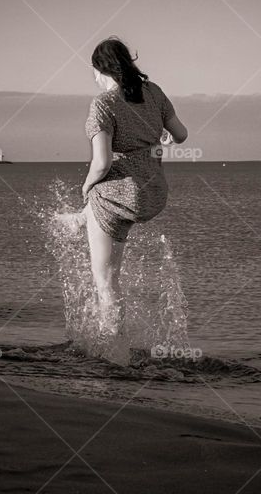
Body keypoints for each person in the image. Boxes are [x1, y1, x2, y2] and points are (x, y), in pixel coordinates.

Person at [62, 37, 188, 341]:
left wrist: (86, 186)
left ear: (99, 70)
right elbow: (181, 134)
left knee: (106, 281)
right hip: (154, 193)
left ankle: (114, 350)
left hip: (121, 197)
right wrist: (161, 140)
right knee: (99, 201)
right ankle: (80, 218)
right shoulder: (153, 92)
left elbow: (102, 164)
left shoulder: (103, 104)